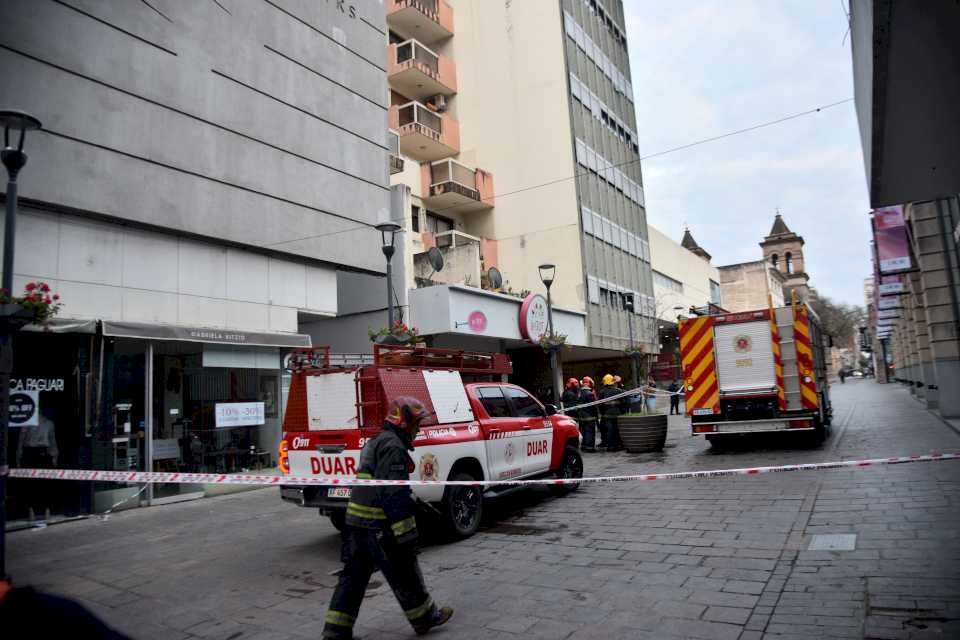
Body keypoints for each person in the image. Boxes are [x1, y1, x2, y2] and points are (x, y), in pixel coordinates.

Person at [322, 397, 453, 640]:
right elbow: (392, 494)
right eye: (417, 423)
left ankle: (335, 632)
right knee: (405, 570)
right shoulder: (393, 446)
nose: (419, 428)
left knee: (353, 578)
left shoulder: (376, 441)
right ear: (404, 422)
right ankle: (425, 618)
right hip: (378, 525)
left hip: (356, 524)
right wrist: (406, 535)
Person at [598, 374, 622, 451]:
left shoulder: (602, 392)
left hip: (607, 415)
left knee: (609, 431)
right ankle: (618, 445)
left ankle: (610, 446)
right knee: (617, 430)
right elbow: (623, 402)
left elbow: (600, 405)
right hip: (617, 414)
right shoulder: (618, 391)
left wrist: (603, 413)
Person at [578, 377, 599, 452]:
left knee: (583, 431)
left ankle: (583, 446)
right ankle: (590, 448)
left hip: (581, 417)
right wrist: (596, 415)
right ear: (589, 384)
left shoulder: (579, 393)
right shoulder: (590, 394)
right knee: (589, 432)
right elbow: (593, 406)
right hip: (589, 416)